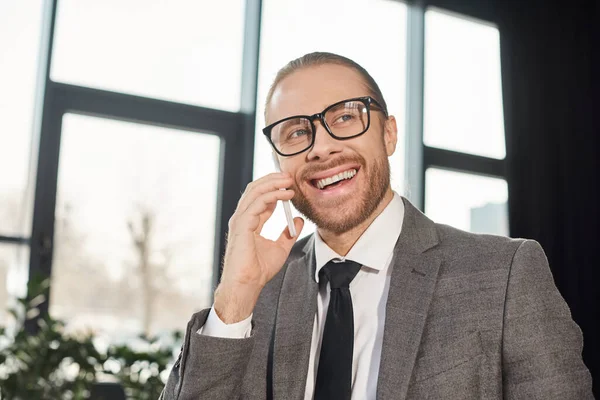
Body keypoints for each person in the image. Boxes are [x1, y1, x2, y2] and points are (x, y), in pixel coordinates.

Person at [160, 52, 593, 400]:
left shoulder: (506, 274)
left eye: (345, 117)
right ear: (279, 163)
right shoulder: (253, 296)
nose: (322, 148)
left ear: (388, 134)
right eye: (295, 133)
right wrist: (234, 298)